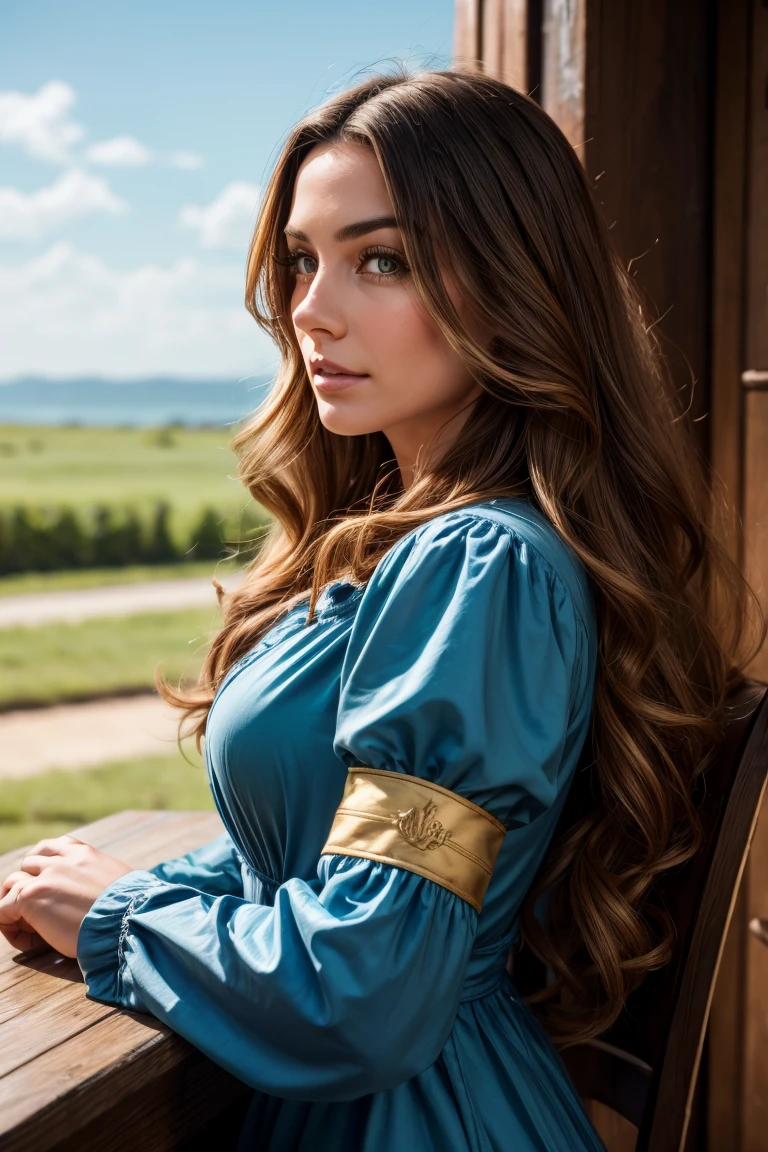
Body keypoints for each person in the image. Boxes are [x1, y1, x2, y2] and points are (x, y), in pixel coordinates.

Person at [0, 66, 762, 1151]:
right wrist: (114, 887)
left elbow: (365, 994)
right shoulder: (421, 546)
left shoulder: (481, 571)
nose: (312, 309)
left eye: (383, 261)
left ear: (514, 282)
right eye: (303, 261)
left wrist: (121, 921)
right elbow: (314, 859)